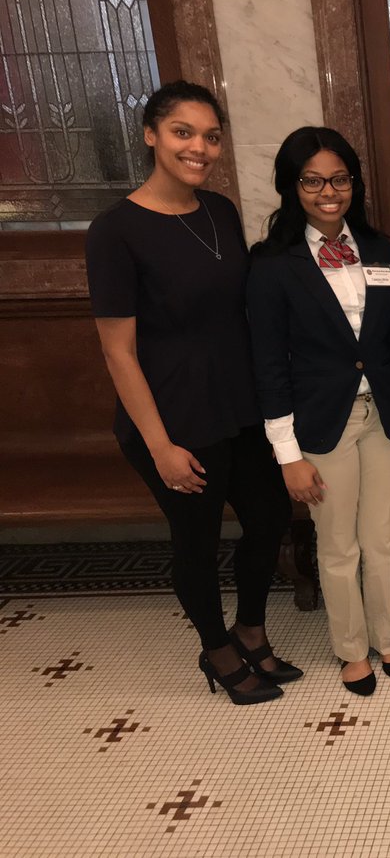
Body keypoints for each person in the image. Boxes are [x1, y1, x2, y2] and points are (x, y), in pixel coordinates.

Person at [85, 81, 297, 705]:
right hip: (175, 416)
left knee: (269, 517)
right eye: (183, 132)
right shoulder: (115, 230)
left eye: (210, 136)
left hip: (239, 404)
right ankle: (217, 649)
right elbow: (118, 352)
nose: (198, 148)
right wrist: (160, 446)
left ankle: (250, 629)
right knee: (197, 542)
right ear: (151, 134)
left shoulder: (220, 210)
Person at [246, 127, 390, 696]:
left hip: (385, 415)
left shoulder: (377, 250)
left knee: (385, 537)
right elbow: (268, 365)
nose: (329, 192)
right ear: (291, 186)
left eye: (340, 179)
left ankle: (388, 637)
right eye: (313, 181)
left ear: (354, 183)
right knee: (338, 544)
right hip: (322, 423)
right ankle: (351, 649)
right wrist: (287, 455)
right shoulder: (271, 264)